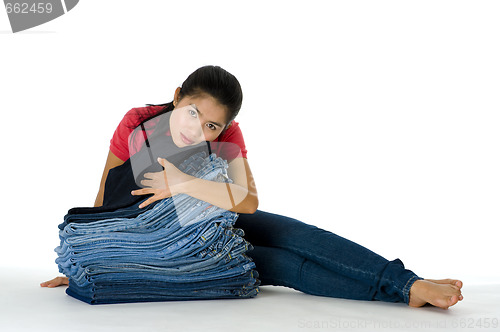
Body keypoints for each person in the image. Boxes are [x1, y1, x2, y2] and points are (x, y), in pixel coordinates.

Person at [41, 65, 463, 309]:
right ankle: (406, 290)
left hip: (209, 221)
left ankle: (408, 284)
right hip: (160, 245)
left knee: (294, 233)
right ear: (177, 96)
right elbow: (106, 187)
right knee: (277, 265)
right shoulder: (138, 121)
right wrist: (87, 258)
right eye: (192, 113)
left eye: (211, 125)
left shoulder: (228, 137)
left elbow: (246, 199)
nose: (197, 131)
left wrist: (184, 183)